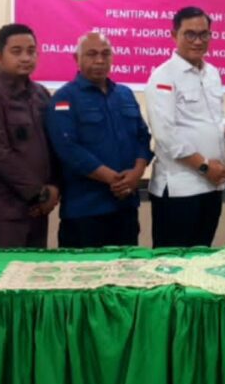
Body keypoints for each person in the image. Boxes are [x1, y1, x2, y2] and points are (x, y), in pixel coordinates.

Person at [45, 32, 153, 248]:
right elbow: (68, 149)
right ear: (76, 58)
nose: (100, 60)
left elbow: (143, 136)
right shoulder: (64, 98)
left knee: (127, 267)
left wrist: (137, 173)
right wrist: (113, 179)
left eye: (105, 54)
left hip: (125, 208)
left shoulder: (124, 94)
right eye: (92, 54)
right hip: (85, 211)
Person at [145, 6, 225, 248]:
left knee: (201, 258)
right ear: (174, 35)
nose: (198, 41)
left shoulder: (212, 73)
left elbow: (215, 116)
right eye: (190, 34)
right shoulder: (163, 76)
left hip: (212, 185)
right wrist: (204, 166)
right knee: (172, 261)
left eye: (204, 34)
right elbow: (165, 134)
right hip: (179, 189)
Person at [0, 24, 58, 248]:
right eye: (16, 51)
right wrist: (37, 193)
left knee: (34, 271)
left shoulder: (41, 94)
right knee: (1, 271)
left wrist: (54, 187)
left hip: (37, 211)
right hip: (0, 215)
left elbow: (53, 146)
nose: (26, 57)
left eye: (31, 51)